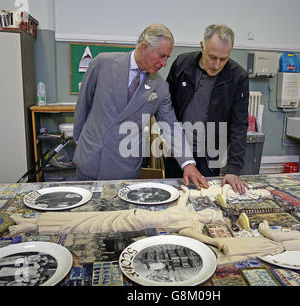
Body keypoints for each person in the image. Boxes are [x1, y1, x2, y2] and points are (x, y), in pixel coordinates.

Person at [73, 24, 208, 190]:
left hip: (125, 168)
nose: (164, 63)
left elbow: (171, 126)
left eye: (167, 57)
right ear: (144, 48)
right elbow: (83, 105)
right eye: (161, 56)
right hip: (91, 158)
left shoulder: (160, 87)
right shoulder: (102, 63)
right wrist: (79, 143)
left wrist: (188, 163)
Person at [165, 24, 250, 194]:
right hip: (178, 152)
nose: (217, 65)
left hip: (210, 154)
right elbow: (166, 108)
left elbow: (239, 125)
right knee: (174, 197)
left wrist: (233, 170)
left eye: (224, 59)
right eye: (212, 57)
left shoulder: (238, 77)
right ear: (202, 46)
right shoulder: (182, 64)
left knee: (205, 200)